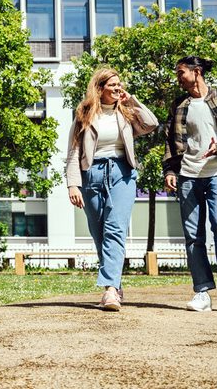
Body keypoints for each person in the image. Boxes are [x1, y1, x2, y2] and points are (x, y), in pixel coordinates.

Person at [67, 67, 159, 311]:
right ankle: (115, 283)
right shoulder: (84, 114)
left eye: (120, 84)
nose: (119, 88)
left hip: (122, 173)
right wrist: (73, 184)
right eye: (113, 85)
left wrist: (133, 101)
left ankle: (109, 291)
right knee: (99, 232)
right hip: (92, 174)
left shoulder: (126, 113)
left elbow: (151, 124)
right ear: (100, 88)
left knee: (115, 228)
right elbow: (74, 151)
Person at [163, 56, 217, 312]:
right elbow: (170, 141)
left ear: (196, 71)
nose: (178, 78)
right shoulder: (179, 105)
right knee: (193, 236)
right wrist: (170, 170)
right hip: (188, 175)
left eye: (181, 73)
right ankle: (201, 291)